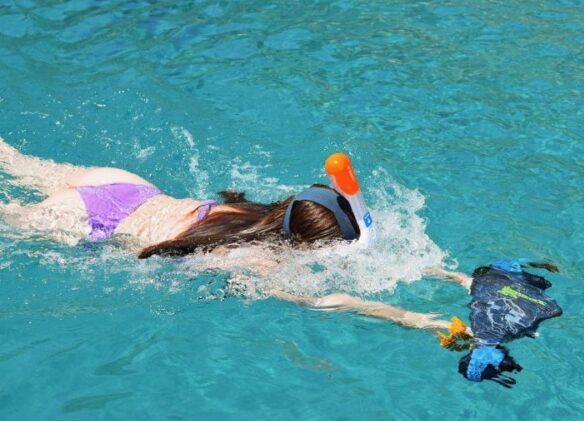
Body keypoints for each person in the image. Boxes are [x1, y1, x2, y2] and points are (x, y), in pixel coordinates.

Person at [0, 137, 473, 330]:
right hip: (88, 220)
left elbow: (388, 257)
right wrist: (411, 317)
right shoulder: (258, 259)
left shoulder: (256, 212)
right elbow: (325, 302)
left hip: (121, 185)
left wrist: (456, 278)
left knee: (11, 158)